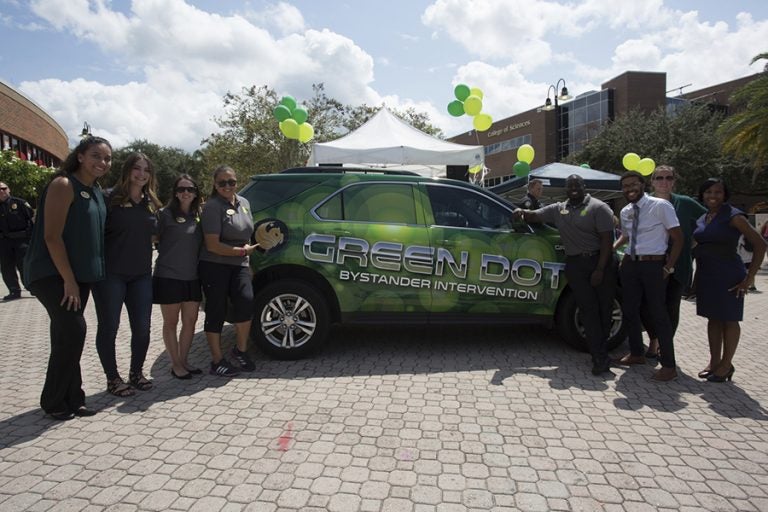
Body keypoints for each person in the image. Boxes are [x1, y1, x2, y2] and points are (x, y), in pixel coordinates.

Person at [22, 136, 112, 420]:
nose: (103, 162)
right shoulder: (63, 185)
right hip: (51, 274)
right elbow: (51, 237)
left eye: (108, 158)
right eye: (96, 155)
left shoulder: (95, 190)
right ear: (81, 156)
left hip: (78, 275)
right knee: (74, 331)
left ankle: (74, 399)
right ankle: (53, 400)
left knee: (66, 335)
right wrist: (69, 280)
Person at [514, 174, 616, 375]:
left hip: (601, 262)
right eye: (570, 185)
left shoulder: (599, 207)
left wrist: (600, 269)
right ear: (566, 189)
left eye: (577, 184)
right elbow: (535, 215)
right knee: (588, 311)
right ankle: (600, 358)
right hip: (576, 265)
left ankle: (601, 351)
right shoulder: (559, 209)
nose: (574, 188)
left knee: (604, 311)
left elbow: (607, 241)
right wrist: (521, 211)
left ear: (584, 186)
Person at [92, 153, 161, 397]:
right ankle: (112, 379)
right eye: (137, 168)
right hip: (111, 275)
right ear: (127, 170)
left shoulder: (150, 203)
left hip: (141, 275)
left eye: (146, 170)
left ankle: (136, 373)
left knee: (142, 329)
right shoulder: (108, 198)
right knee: (109, 327)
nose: (141, 174)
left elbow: (157, 235)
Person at [693, 178, 766, 382]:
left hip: (728, 274)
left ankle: (726, 365)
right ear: (702, 194)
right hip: (707, 273)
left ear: (725, 195)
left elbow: (760, 245)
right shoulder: (704, 216)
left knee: (730, 319)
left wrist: (749, 278)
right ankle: (714, 362)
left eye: (717, 192)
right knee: (713, 318)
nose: (712, 196)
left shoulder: (734, 216)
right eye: (708, 192)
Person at [614, 171, 683, 381]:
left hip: (654, 265)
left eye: (633, 184)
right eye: (625, 186)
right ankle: (637, 354)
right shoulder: (625, 211)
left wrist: (668, 267)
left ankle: (669, 365)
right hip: (630, 264)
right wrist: (611, 249)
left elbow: (678, 238)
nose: (629, 189)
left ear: (643, 184)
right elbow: (627, 236)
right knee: (630, 310)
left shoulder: (660, 206)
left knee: (658, 313)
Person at [638, 165, 706, 358]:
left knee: (670, 306)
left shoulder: (684, 203)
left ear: (674, 181)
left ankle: (662, 346)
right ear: (652, 181)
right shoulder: (644, 203)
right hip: (650, 262)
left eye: (668, 178)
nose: (664, 182)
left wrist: (694, 241)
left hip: (678, 264)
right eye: (659, 178)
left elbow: (707, 219)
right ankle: (653, 338)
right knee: (646, 305)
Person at [199, 165, 259, 377]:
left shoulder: (244, 203)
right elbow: (213, 245)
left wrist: (246, 259)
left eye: (231, 182)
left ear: (237, 182)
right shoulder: (212, 207)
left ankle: (240, 350)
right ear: (215, 185)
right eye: (222, 183)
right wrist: (242, 253)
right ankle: (217, 361)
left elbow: (247, 234)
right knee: (216, 310)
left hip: (240, 265)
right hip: (215, 265)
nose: (227, 186)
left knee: (246, 301)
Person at [153, 174, 204, 379]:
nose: (185, 193)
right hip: (168, 277)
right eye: (182, 189)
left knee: (190, 322)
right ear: (175, 193)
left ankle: (184, 360)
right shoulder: (164, 214)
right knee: (171, 323)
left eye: (190, 189)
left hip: (192, 277)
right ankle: (175, 364)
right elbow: (152, 238)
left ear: (195, 193)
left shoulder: (199, 215)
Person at [0, 182, 34, 301]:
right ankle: (14, 290)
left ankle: (32, 287)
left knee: (24, 265)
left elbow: (31, 219)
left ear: (9, 189)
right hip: (4, 242)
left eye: (3, 188)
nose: (1, 191)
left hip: (21, 240)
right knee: (6, 267)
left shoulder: (19, 203)